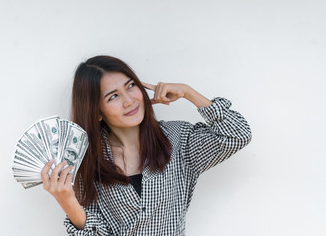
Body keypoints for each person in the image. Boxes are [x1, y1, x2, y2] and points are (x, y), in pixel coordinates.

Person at [41, 55, 252, 235]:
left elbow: (237, 134)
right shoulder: (86, 160)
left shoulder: (177, 139)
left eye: (131, 86)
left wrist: (188, 92)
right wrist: (67, 200)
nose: (129, 101)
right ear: (96, 112)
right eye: (113, 96)